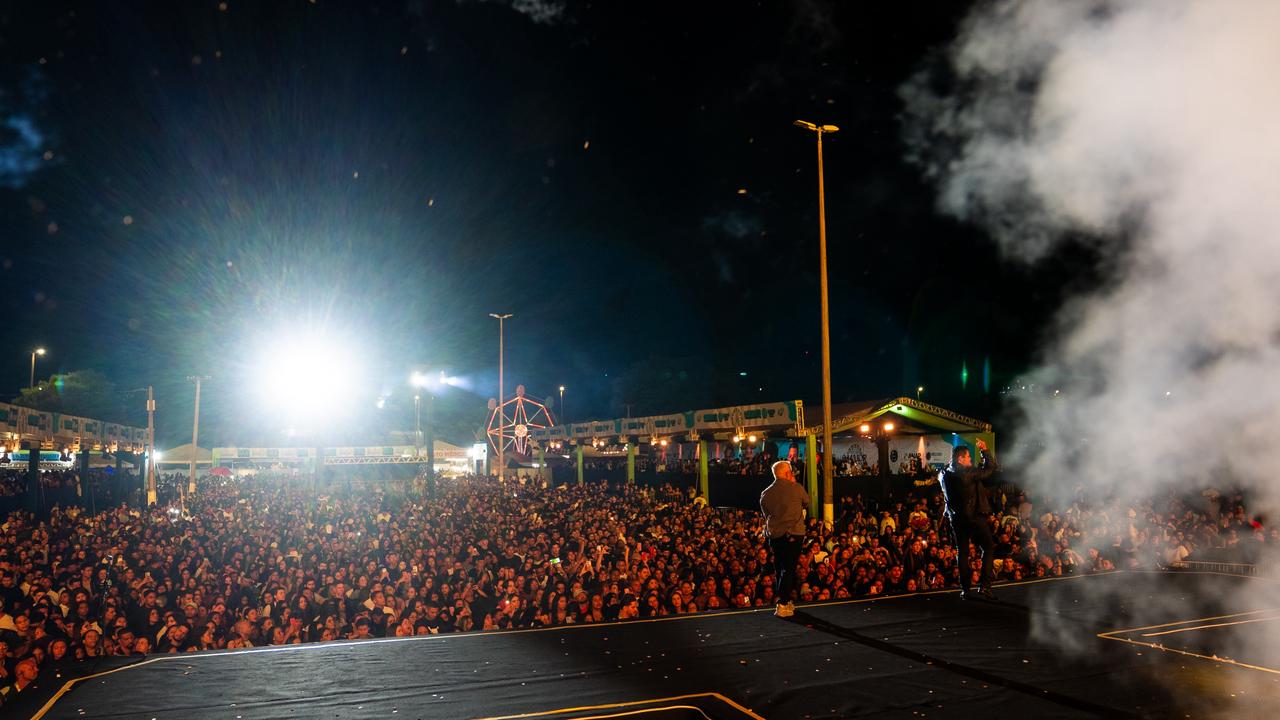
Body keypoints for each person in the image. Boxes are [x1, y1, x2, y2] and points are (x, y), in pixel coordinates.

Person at [938, 439, 1000, 600]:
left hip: (956, 518)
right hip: (974, 517)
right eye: (968, 458)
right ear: (960, 459)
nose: (971, 461)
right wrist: (984, 450)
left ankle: (965, 589)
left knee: (963, 552)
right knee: (988, 548)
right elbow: (990, 468)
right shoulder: (969, 474)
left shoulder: (944, 474)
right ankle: (985, 586)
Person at [760, 460, 809, 617]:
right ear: (788, 473)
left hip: (775, 535)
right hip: (794, 533)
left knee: (779, 567)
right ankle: (782, 604)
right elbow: (807, 502)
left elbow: (767, 515)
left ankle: (784, 601)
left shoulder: (765, 493)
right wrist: (794, 485)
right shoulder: (796, 488)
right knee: (789, 569)